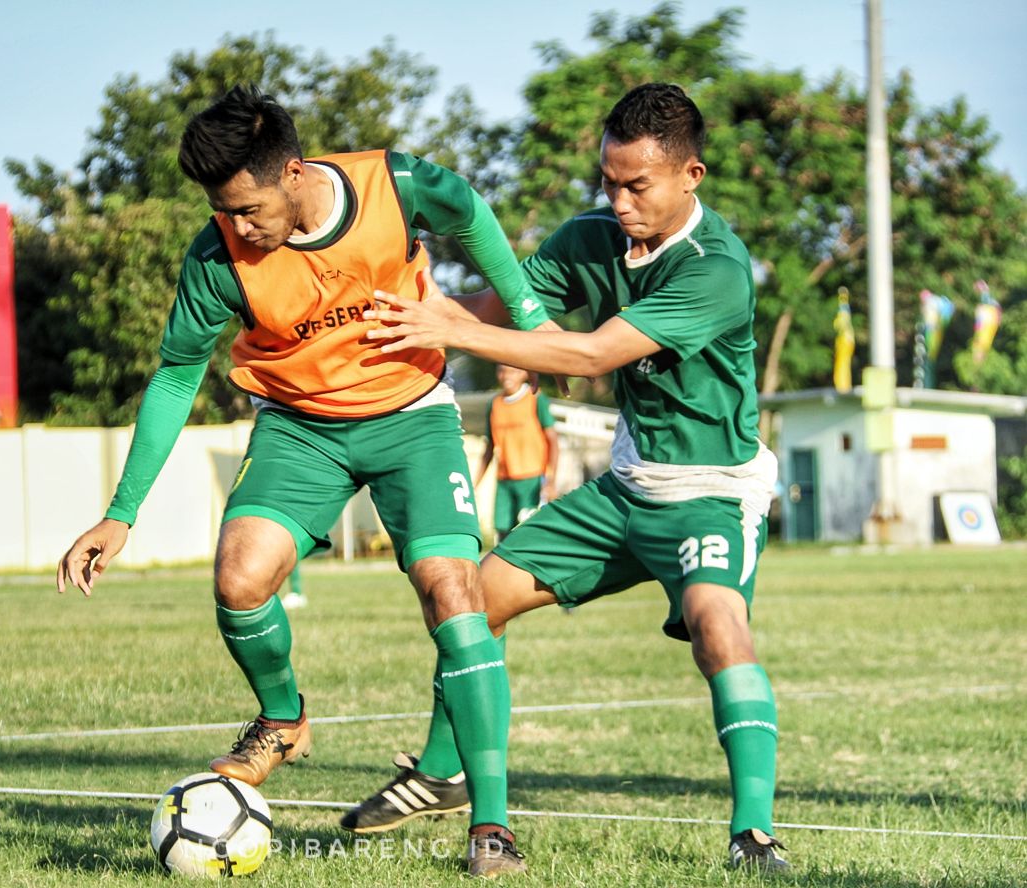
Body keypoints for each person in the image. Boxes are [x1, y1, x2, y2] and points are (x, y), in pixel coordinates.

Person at [56, 84, 554, 876]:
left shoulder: (396, 188)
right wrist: (121, 512)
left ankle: (490, 825)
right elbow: (176, 376)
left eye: (249, 208)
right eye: (224, 211)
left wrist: (528, 317)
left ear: (293, 172)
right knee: (240, 577)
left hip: (411, 413)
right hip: (298, 427)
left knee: (453, 593)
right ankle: (283, 722)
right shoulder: (218, 255)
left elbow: (466, 208)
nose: (238, 226)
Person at [349, 83, 789, 872]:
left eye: (636, 185)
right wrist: (412, 311)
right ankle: (447, 774)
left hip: (713, 496)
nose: (617, 201)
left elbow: (588, 357)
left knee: (719, 632)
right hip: (625, 491)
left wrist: (454, 330)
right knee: (473, 600)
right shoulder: (590, 235)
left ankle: (752, 834)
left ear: (691, 175)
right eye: (608, 182)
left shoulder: (717, 269)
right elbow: (507, 303)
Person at [476, 365, 558, 543]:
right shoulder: (495, 403)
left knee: (530, 530)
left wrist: (550, 480)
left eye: (512, 371)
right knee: (502, 530)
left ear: (524, 373)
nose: (506, 376)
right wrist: (475, 483)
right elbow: (490, 446)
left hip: (532, 477)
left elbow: (552, 440)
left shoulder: (535, 398)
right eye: (501, 371)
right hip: (505, 479)